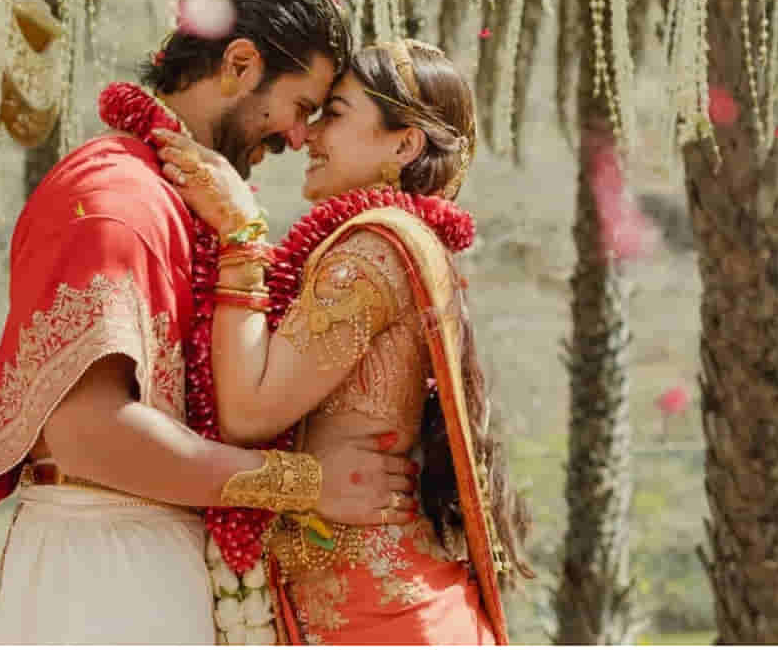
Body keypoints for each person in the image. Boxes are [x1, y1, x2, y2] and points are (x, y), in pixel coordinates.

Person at [0, 0, 418, 645]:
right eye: (300, 105)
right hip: (104, 567)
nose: (297, 137)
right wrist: (307, 484)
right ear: (239, 64)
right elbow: (89, 433)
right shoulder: (114, 195)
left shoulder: (181, 200)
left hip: (144, 554)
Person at [154, 38, 534, 644]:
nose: (307, 135)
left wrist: (241, 238)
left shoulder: (369, 253)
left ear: (404, 145)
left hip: (372, 611)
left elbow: (249, 413)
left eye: (333, 113)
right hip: (383, 598)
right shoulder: (397, 242)